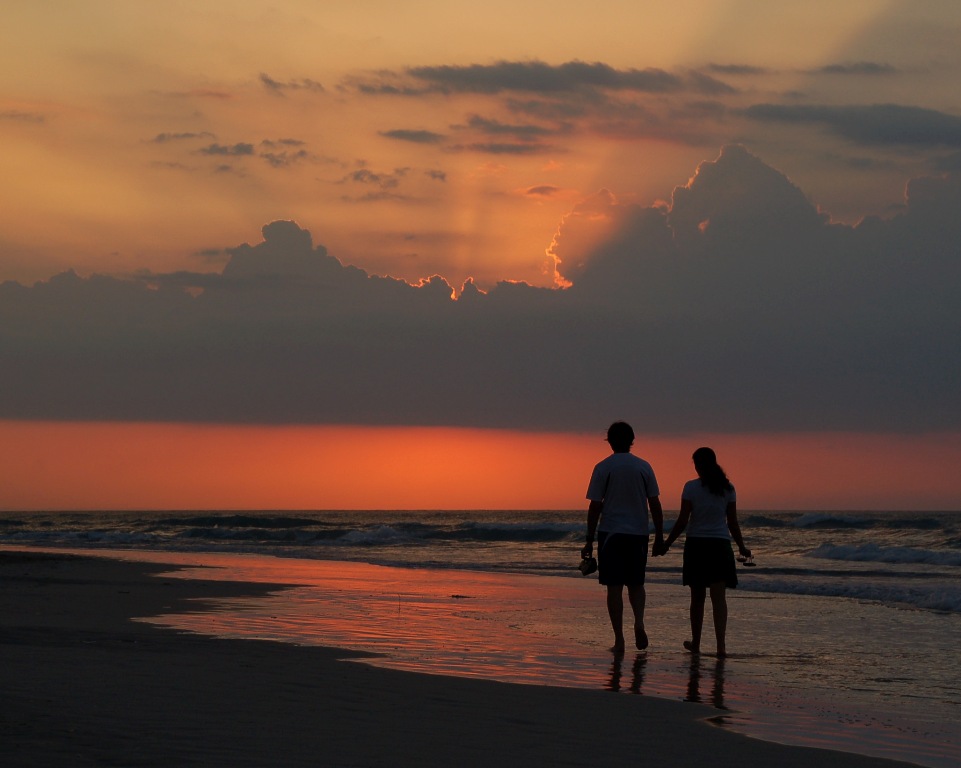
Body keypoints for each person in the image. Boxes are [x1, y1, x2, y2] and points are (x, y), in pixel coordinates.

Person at [658, 447, 750, 658]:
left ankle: (697, 643)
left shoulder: (691, 487)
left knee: (697, 598)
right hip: (720, 546)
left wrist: (667, 544)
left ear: (698, 466)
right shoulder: (728, 488)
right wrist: (742, 547)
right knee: (719, 599)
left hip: (697, 546)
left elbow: (683, 521)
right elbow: (733, 523)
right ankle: (721, 647)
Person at [582, 421, 664, 654]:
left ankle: (619, 639)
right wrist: (658, 535)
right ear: (632, 441)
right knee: (636, 584)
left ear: (610, 441)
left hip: (611, 534)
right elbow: (655, 503)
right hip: (638, 533)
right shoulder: (644, 467)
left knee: (614, 587)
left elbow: (595, 506)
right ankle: (639, 622)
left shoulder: (603, 467)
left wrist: (589, 539)